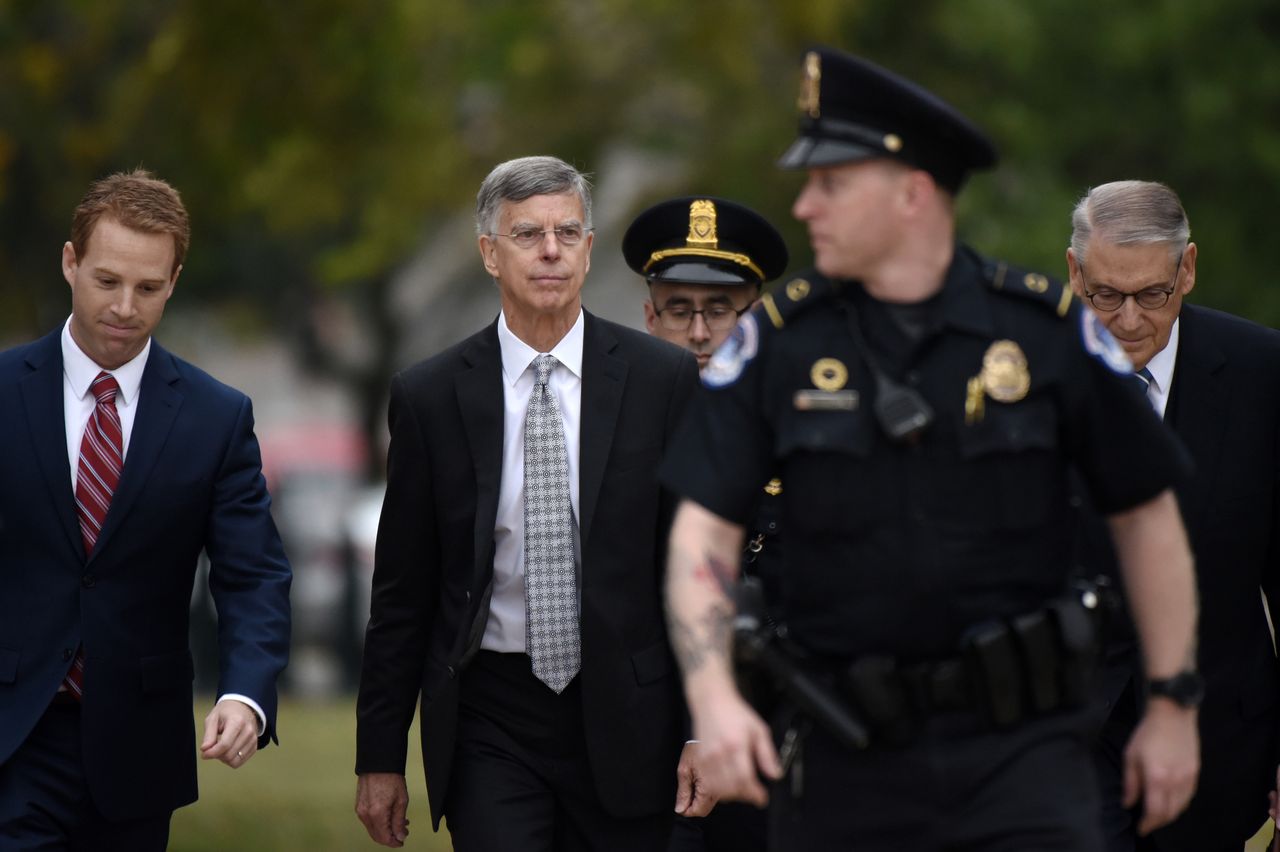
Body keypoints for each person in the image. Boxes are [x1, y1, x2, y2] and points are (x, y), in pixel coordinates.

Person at [659, 47, 1202, 851]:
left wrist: (1171, 705)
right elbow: (701, 533)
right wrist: (713, 698)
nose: (805, 207)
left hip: (1024, 760)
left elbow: (1148, 518)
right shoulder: (778, 347)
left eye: (830, 183)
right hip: (845, 765)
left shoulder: (1045, 335)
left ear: (912, 193)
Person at [354, 155, 700, 851]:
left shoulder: (660, 379)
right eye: (527, 234)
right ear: (489, 253)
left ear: (588, 248)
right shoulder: (430, 396)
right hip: (492, 713)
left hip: (630, 710)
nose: (550, 251)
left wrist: (703, 727)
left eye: (568, 233)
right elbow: (403, 592)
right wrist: (379, 757)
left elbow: (691, 569)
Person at [0, 169, 292, 849]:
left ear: (175, 280)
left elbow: (252, 574)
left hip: (138, 749)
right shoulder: (4, 393)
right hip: (13, 735)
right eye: (107, 281)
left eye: (149, 287)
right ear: (71, 263)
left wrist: (245, 692)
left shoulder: (216, 418)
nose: (126, 307)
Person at [1066, 180, 1280, 852]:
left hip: (1219, 747)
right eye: (1106, 295)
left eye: (1152, 295)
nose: (1129, 319)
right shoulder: (1020, 375)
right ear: (1074, 273)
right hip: (1065, 746)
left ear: (1187, 268)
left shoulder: (1262, 375)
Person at [622, 195, 788, 852]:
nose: (698, 332)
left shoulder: (796, 430)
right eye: (679, 310)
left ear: (755, 317)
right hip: (639, 745)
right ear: (649, 317)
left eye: (720, 309)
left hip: (769, 735)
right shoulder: (615, 437)